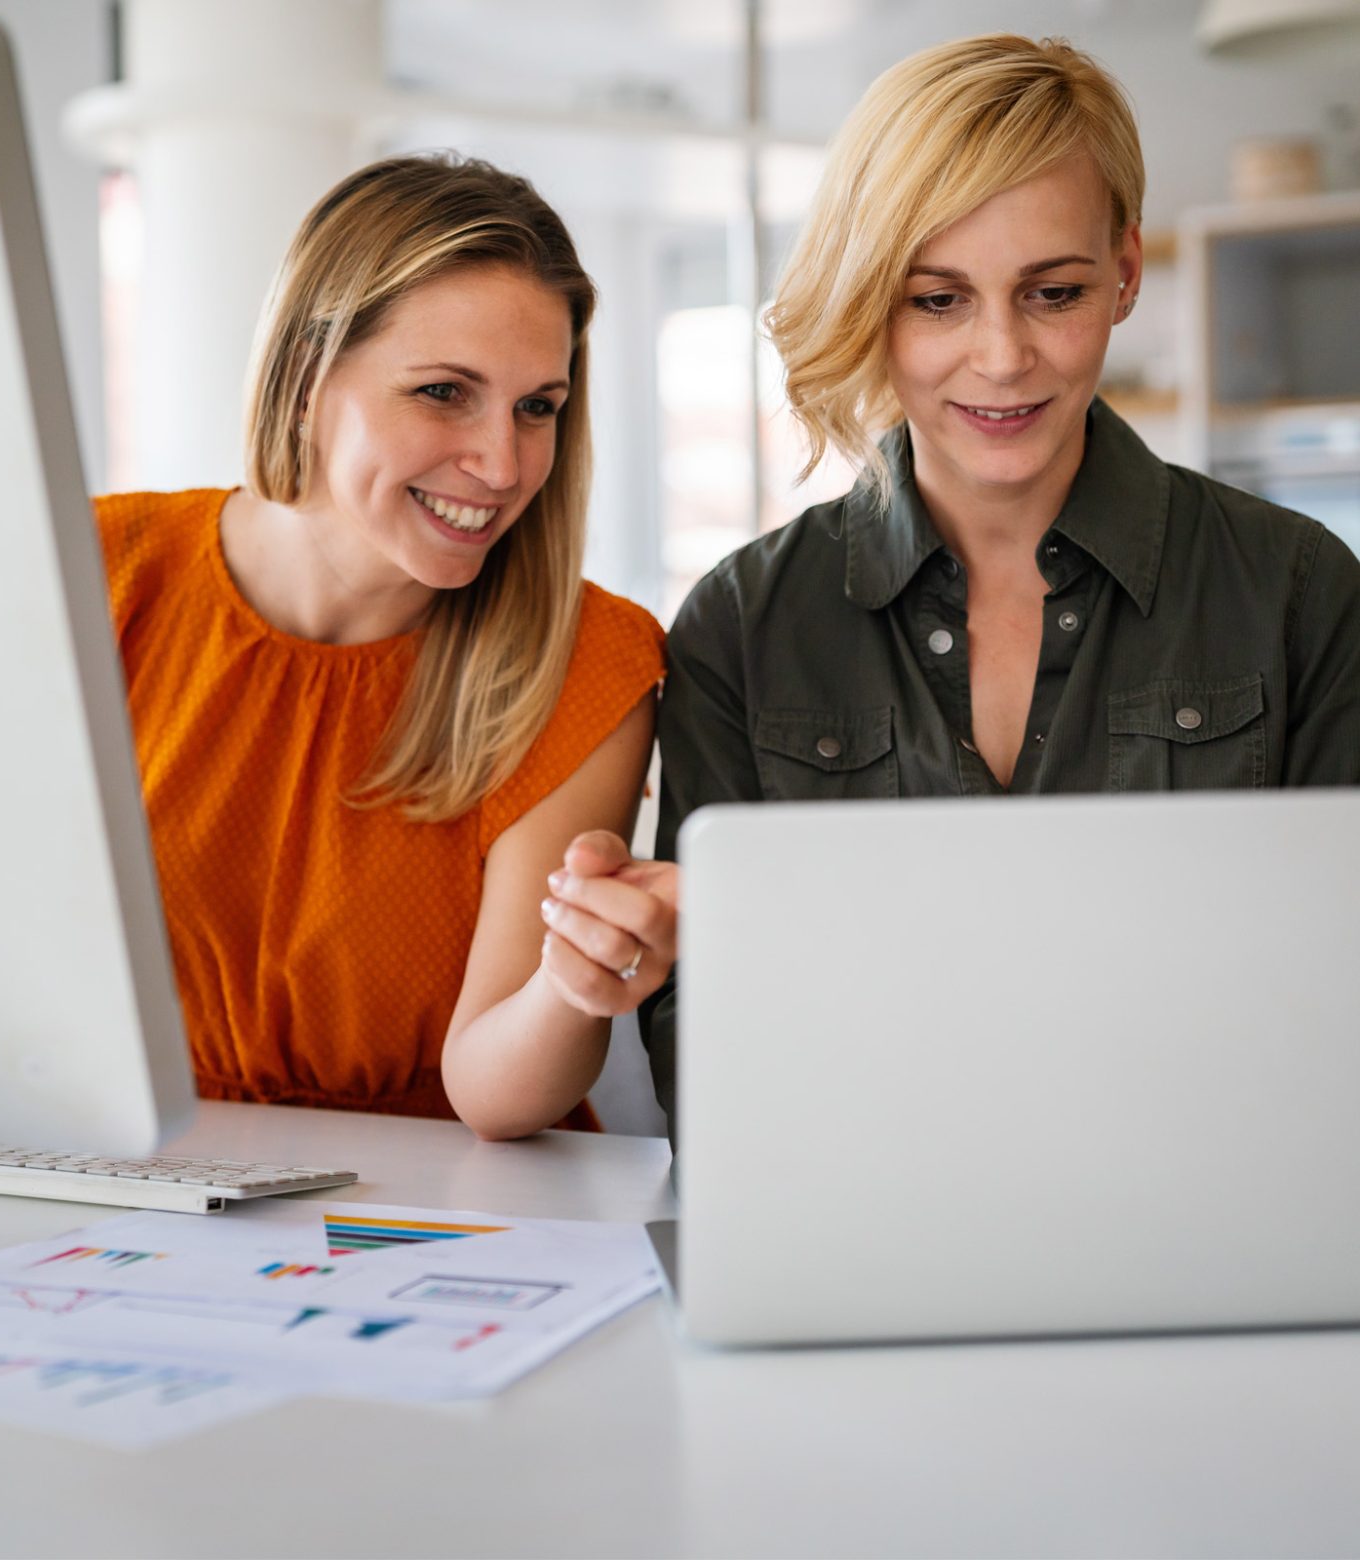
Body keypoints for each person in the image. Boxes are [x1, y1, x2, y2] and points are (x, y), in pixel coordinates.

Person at [536, 33, 1360, 1139]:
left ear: (1122, 273)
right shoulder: (744, 623)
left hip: (1220, 1208)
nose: (1003, 354)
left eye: (1052, 291)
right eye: (937, 301)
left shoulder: (1299, 591)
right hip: (858, 1212)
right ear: (873, 300)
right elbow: (710, 1058)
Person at [96, 155, 664, 1141]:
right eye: (445, 392)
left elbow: (495, 1093)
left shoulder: (587, 660)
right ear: (309, 376)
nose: (502, 464)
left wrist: (574, 983)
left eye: (539, 406)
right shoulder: (95, 572)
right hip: (130, 1167)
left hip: (444, 1199)